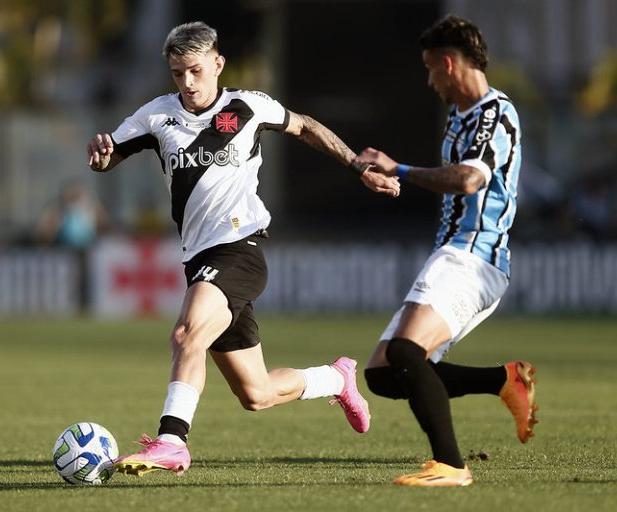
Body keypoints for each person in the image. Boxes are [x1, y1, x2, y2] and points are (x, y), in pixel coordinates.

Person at [86, 21, 400, 477]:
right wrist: (100, 156)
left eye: (195, 70)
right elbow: (111, 153)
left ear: (217, 63)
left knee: (185, 334)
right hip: (200, 261)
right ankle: (336, 378)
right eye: (178, 74)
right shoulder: (156, 116)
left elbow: (306, 126)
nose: (188, 83)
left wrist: (357, 167)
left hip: (239, 249)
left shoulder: (247, 107)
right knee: (256, 394)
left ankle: (172, 441)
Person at [355, 14, 537, 487]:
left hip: (474, 258)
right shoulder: (460, 115)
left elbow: (471, 179)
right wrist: (398, 178)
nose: (429, 80)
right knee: (382, 373)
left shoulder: (495, 114)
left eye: (430, 68)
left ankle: (451, 466)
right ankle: (503, 380)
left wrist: (400, 169)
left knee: (404, 349)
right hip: (455, 253)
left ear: (450, 64)